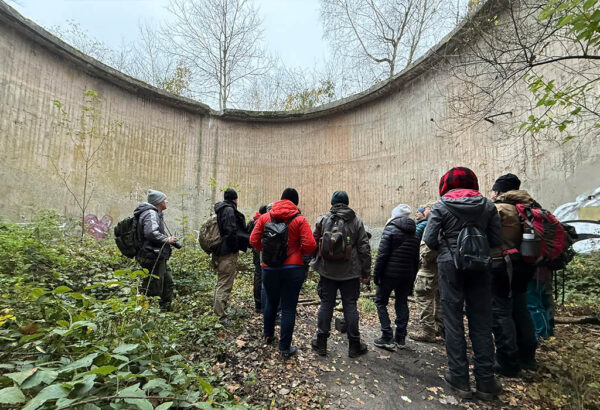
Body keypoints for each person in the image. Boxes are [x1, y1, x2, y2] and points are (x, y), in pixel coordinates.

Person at [424, 167, 503, 400]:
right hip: (480, 265)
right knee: (481, 320)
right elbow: (496, 239)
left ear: (445, 185)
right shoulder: (488, 205)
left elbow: (429, 239)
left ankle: (459, 379)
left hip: (450, 266)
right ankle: (486, 382)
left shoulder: (440, 206)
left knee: (452, 319)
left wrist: (447, 249)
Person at [250, 188, 316, 359]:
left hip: (269, 269)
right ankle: (284, 348)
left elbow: (253, 240)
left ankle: (268, 335)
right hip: (293, 270)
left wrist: (268, 254)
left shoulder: (265, 218)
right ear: (296, 203)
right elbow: (310, 245)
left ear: (280, 200)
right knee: (288, 308)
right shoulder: (299, 220)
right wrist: (296, 252)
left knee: (271, 302)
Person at [310, 191, 372, 358]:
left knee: (326, 304)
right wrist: (366, 272)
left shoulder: (323, 219)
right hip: (350, 273)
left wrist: (313, 262)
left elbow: (314, 242)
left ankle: (321, 343)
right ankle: (354, 346)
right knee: (350, 306)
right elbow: (364, 248)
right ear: (347, 202)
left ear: (332, 203)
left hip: (327, 271)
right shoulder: (356, 221)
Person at [490, 174, 539, 371]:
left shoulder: (500, 209)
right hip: (526, 263)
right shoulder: (531, 207)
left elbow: (488, 237)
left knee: (500, 311)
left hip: (502, 264)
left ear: (499, 190)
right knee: (520, 308)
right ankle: (527, 357)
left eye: (494, 190)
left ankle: (507, 362)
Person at [372, 204, 420, 351]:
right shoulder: (415, 233)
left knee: (380, 302)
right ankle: (400, 338)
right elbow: (415, 259)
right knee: (402, 303)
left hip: (388, 274)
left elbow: (382, 255)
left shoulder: (390, 229)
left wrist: (376, 274)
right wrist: (412, 278)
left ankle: (387, 336)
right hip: (406, 275)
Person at [134, 189, 178, 311]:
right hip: (152, 256)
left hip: (158, 256)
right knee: (155, 286)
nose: (166, 201)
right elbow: (151, 233)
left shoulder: (154, 213)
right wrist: (167, 240)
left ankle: (165, 311)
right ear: (159, 202)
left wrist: (166, 243)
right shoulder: (151, 213)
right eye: (165, 199)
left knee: (167, 282)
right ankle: (151, 313)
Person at [409, 202, 444, 343]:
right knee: (438, 298)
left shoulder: (434, 223)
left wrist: (423, 258)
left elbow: (430, 246)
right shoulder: (444, 221)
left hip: (429, 268)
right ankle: (438, 328)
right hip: (440, 268)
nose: (425, 211)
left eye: (426, 209)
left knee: (424, 297)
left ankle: (428, 331)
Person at [212, 188, 249, 322]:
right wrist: (234, 248)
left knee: (222, 282)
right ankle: (219, 318)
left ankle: (217, 313)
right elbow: (230, 231)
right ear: (235, 199)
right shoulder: (228, 210)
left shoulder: (221, 209)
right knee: (224, 284)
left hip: (221, 250)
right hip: (227, 252)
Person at [247, 205, 267, 313]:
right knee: (262, 276)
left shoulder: (254, 220)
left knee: (258, 275)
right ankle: (262, 304)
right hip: (261, 251)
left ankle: (258, 305)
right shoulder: (263, 221)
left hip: (256, 250)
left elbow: (250, 239)